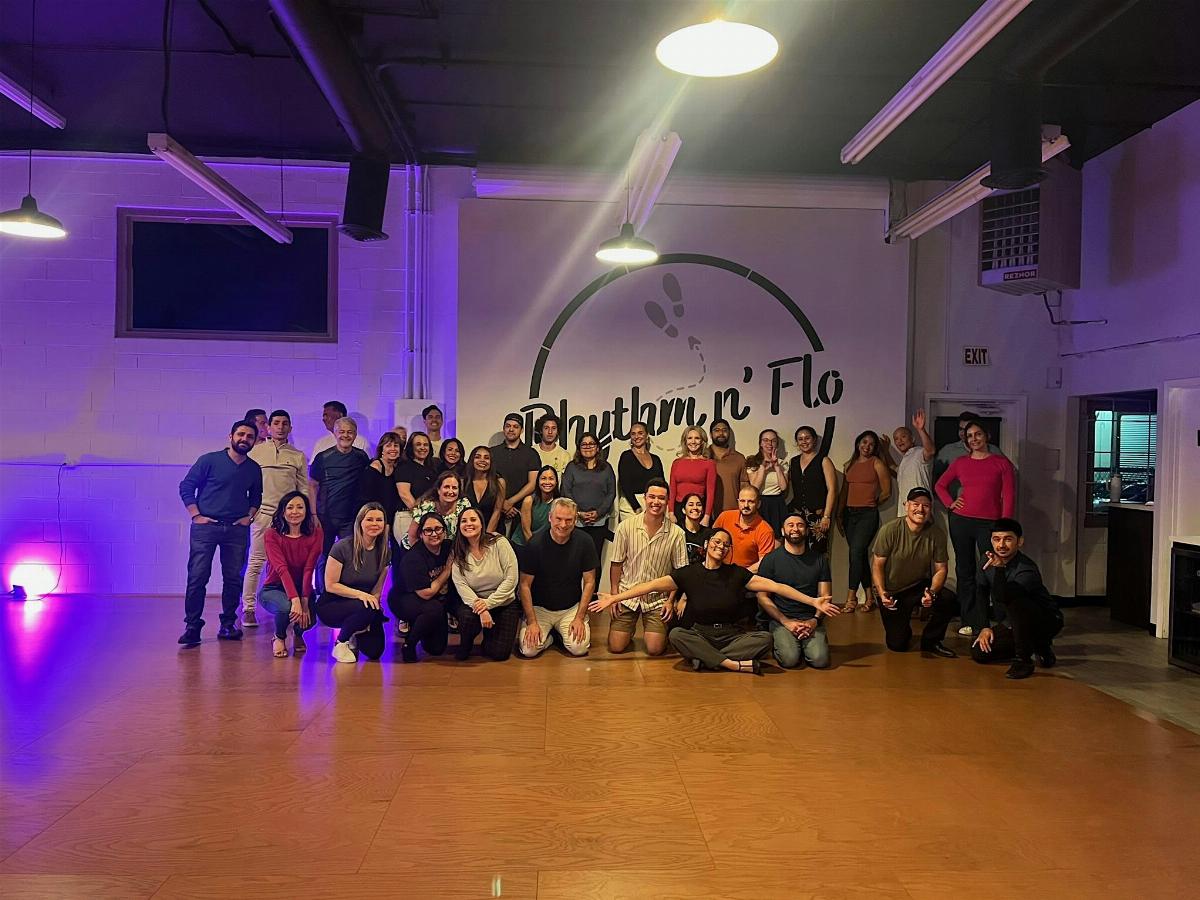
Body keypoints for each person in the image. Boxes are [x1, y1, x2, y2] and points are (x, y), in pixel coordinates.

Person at [592, 528, 841, 673]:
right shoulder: (689, 573)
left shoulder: (737, 574)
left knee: (765, 639)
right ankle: (732, 665)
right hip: (700, 633)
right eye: (717, 542)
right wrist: (615, 597)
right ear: (706, 544)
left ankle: (706, 659)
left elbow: (776, 586)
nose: (721, 547)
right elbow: (650, 585)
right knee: (677, 635)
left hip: (731, 636)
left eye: (726, 545)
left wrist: (813, 601)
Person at [177, 420, 263, 646]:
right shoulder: (209, 460)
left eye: (250, 436)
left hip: (236, 530)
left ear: (255, 441)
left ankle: (228, 625)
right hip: (205, 528)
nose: (244, 439)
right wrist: (196, 515)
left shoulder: (253, 468)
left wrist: (249, 517)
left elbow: (256, 497)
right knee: (197, 577)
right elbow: (186, 486)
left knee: (233, 579)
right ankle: (192, 627)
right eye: (241, 434)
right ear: (231, 436)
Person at [934, 419, 1016, 637]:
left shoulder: (1001, 463)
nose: (974, 439)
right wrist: (950, 503)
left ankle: (1000, 620)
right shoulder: (961, 462)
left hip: (990, 524)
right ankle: (969, 620)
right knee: (965, 570)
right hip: (961, 521)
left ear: (987, 435)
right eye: (969, 436)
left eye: (978, 434)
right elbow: (940, 485)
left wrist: (1005, 528)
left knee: (992, 569)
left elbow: (1009, 496)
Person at [590, 478, 687, 656]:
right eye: (652, 497)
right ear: (644, 498)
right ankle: (629, 629)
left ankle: (658, 631)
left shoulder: (677, 533)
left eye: (661, 498)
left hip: (658, 599)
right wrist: (614, 596)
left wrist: (670, 601)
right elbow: (616, 563)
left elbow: (680, 573)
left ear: (667, 501)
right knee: (616, 647)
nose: (656, 502)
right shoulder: (625, 527)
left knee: (655, 649)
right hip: (627, 595)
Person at [869, 487, 958, 658]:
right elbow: (877, 565)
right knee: (897, 644)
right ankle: (902, 628)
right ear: (906, 505)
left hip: (918, 585)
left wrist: (932, 592)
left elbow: (941, 569)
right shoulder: (890, 530)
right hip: (892, 591)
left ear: (930, 509)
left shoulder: (937, 534)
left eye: (926, 505)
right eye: (915, 504)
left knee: (948, 598)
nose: (920, 509)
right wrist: (882, 593)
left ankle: (931, 640)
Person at [971, 518, 1064, 679]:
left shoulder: (1027, 569)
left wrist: (999, 569)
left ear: (1019, 541)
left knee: (1016, 602)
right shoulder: (986, 560)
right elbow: (981, 593)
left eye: (1008, 539)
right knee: (979, 652)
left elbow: (1004, 597)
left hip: (1044, 620)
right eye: (996, 539)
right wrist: (984, 627)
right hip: (1012, 622)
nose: (1001, 545)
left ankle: (1024, 660)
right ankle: (1036, 645)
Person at [241, 409, 308, 628]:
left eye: (285, 423)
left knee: (289, 565)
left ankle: (292, 608)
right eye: (276, 423)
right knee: (256, 562)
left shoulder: (298, 456)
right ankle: (248, 609)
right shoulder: (255, 452)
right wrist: (250, 512)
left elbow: (303, 490)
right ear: (268, 427)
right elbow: (245, 485)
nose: (280, 427)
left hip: (289, 519)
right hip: (262, 516)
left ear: (290, 428)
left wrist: (306, 516)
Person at [517, 498, 598, 658]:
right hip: (539, 609)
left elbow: (590, 582)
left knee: (579, 648)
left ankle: (560, 634)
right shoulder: (535, 544)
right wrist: (532, 621)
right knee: (528, 650)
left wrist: (579, 617)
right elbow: (524, 585)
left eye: (568, 520)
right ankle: (552, 638)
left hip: (570, 608)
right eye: (558, 519)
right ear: (550, 517)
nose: (563, 525)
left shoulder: (585, 542)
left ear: (575, 520)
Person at [757, 514, 834, 669]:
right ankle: (786, 642)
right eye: (790, 525)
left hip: (810, 619)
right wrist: (786, 621)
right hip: (781, 619)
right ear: (782, 530)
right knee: (790, 660)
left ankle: (805, 643)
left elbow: (825, 597)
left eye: (800, 525)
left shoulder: (819, 559)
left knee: (820, 660)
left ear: (806, 530)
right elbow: (762, 596)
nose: (795, 529)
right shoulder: (771, 560)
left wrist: (814, 621)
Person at [317, 502, 390, 664]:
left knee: (375, 651)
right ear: (360, 522)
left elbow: (377, 590)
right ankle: (341, 642)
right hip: (333, 604)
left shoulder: (385, 551)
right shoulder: (342, 547)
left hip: (364, 606)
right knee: (366, 606)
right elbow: (330, 585)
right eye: (369, 519)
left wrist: (373, 608)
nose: (374, 524)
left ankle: (354, 631)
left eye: (379, 520)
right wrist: (362, 596)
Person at [449, 508, 522, 661]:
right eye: (464, 521)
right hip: (475, 604)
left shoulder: (499, 542)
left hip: (504, 602)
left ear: (481, 523)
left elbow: (512, 579)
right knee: (467, 618)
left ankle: (490, 635)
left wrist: (489, 603)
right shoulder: (458, 552)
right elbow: (461, 586)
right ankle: (466, 643)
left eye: (473, 520)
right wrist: (482, 609)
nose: (468, 524)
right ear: (459, 526)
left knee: (499, 654)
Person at [309, 417, 371, 591]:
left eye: (350, 432)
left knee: (350, 557)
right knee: (323, 556)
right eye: (341, 432)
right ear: (335, 434)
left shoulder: (361, 457)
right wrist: (313, 514)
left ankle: (345, 593)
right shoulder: (322, 457)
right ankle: (322, 594)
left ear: (355, 434)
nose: (346, 435)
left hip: (350, 517)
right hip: (325, 517)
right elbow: (312, 486)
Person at [259, 490, 322, 658]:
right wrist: (295, 600)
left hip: (302, 588)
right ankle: (279, 637)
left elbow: (309, 568)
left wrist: (304, 600)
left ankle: (298, 633)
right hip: (274, 588)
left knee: (310, 618)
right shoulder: (271, 534)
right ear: (283, 511)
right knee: (287, 607)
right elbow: (282, 569)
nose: (295, 512)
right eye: (290, 507)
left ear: (307, 511)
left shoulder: (316, 533)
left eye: (300, 507)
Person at [389, 511, 458, 663]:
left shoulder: (448, 547)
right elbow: (426, 593)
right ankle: (409, 644)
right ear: (420, 534)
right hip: (404, 599)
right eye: (428, 530)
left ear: (444, 531)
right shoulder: (413, 558)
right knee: (435, 608)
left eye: (438, 529)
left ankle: (421, 625)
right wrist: (446, 572)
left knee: (436, 649)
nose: (434, 534)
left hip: (433, 600)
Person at [836, 429, 892, 613]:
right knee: (858, 556)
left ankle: (851, 597)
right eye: (864, 442)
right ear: (858, 443)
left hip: (867, 516)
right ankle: (869, 597)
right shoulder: (849, 464)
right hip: (849, 515)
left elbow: (887, 492)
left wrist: (872, 504)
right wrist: (839, 514)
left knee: (856, 552)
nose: (867, 446)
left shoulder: (877, 463)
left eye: (872, 444)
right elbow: (844, 492)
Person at [561, 432, 616, 564]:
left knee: (594, 560)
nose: (588, 447)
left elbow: (611, 493)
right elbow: (566, 491)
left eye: (591, 444)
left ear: (597, 447)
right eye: (584, 444)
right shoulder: (572, 467)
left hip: (599, 521)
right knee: (574, 560)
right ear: (579, 448)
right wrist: (578, 512)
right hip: (576, 521)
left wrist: (598, 513)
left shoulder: (606, 468)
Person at [788, 425, 837, 556]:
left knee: (817, 552)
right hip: (798, 514)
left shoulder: (824, 460)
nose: (804, 441)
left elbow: (832, 490)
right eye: (800, 439)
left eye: (807, 438)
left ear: (814, 440)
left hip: (818, 516)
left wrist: (826, 516)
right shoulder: (793, 462)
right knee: (797, 550)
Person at [490, 413, 541, 535]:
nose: (511, 429)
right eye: (508, 426)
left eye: (515, 426)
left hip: (521, 511)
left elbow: (533, 483)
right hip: (494, 510)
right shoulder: (492, 453)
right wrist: (501, 504)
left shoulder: (531, 453)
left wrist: (510, 502)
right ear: (503, 428)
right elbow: (488, 481)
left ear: (521, 430)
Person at [713, 486, 777, 573]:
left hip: (745, 575)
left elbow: (763, 563)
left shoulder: (766, 530)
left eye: (751, 502)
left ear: (758, 504)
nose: (746, 505)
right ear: (738, 502)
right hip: (718, 570)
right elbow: (711, 542)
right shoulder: (724, 517)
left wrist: (740, 576)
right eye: (742, 501)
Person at [404, 469, 473, 550]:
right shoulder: (426, 506)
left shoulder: (464, 504)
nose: (450, 491)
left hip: (448, 550)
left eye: (454, 488)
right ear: (438, 490)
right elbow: (412, 536)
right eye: (446, 487)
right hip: (417, 548)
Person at [933, 409, 1004, 486]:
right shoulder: (948, 450)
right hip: (957, 493)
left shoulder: (993, 450)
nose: (963, 433)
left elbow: (1008, 473)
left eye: (967, 429)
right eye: (961, 429)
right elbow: (932, 473)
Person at [357, 431, 404, 544]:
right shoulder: (374, 468)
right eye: (388, 445)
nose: (393, 449)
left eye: (396, 446)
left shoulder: (398, 469)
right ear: (381, 449)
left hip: (390, 517)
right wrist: (382, 522)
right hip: (373, 519)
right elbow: (367, 499)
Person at [616, 421, 665, 523]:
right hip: (630, 505)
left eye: (640, 433)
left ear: (647, 435)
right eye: (633, 434)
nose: (636, 436)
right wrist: (636, 507)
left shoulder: (656, 459)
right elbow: (624, 484)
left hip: (653, 504)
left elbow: (661, 484)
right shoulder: (626, 456)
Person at [668, 426, 717, 526]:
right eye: (690, 438)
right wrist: (671, 512)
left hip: (698, 509)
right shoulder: (677, 463)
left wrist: (707, 516)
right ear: (685, 441)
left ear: (702, 441)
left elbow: (711, 492)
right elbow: (672, 489)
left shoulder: (709, 464)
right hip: (679, 509)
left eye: (697, 438)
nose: (693, 441)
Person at [892, 409, 935, 517]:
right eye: (896, 439)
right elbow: (893, 468)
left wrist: (921, 429)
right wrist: (885, 451)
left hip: (920, 511)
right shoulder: (905, 460)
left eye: (903, 436)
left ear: (912, 439)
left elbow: (930, 451)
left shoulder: (919, 452)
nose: (899, 440)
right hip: (905, 513)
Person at [745, 429, 789, 534]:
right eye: (765, 440)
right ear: (760, 443)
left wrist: (776, 466)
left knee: (777, 536)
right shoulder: (752, 462)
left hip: (777, 504)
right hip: (760, 503)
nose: (769, 443)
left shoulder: (782, 463)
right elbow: (755, 487)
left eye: (773, 441)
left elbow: (783, 487)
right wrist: (763, 468)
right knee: (759, 535)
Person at [396, 431, 437, 540]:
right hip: (408, 516)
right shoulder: (404, 467)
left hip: (426, 518)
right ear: (411, 447)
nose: (422, 447)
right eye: (418, 444)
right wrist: (420, 516)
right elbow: (404, 494)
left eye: (425, 444)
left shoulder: (431, 469)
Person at [512, 465, 560, 546]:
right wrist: (535, 549)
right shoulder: (529, 501)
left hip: (545, 544)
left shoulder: (559, 503)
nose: (547, 482)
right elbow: (526, 531)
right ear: (538, 481)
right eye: (543, 478)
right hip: (524, 543)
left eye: (551, 478)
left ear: (556, 482)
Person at [465, 445, 507, 534]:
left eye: (486, 458)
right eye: (478, 457)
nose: (482, 460)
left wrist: (486, 536)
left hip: (492, 531)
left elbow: (497, 511)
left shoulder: (499, 482)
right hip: (469, 531)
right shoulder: (463, 482)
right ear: (472, 460)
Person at [709, 419, 748, 515]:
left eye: (724, 430)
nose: (721, 433)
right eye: (717, 430)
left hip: (732, 512)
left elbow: (744, 486)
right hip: (706, 514)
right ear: (710, 434)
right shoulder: (703, 457)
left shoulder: (739, 458)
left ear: (729, 433)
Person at [534, 413, 572, 477]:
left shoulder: (564, 455)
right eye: (546, 428)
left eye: (553, 428)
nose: (550, 432)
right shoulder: (532, 452)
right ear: (541, 430)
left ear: (557, 431)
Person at [680, 493, 714, 564]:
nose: (695, 507)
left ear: (702, 510)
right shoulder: (677, 531)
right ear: (683, 510)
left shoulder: (708, 533)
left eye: (699, 505)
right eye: (691, 505)